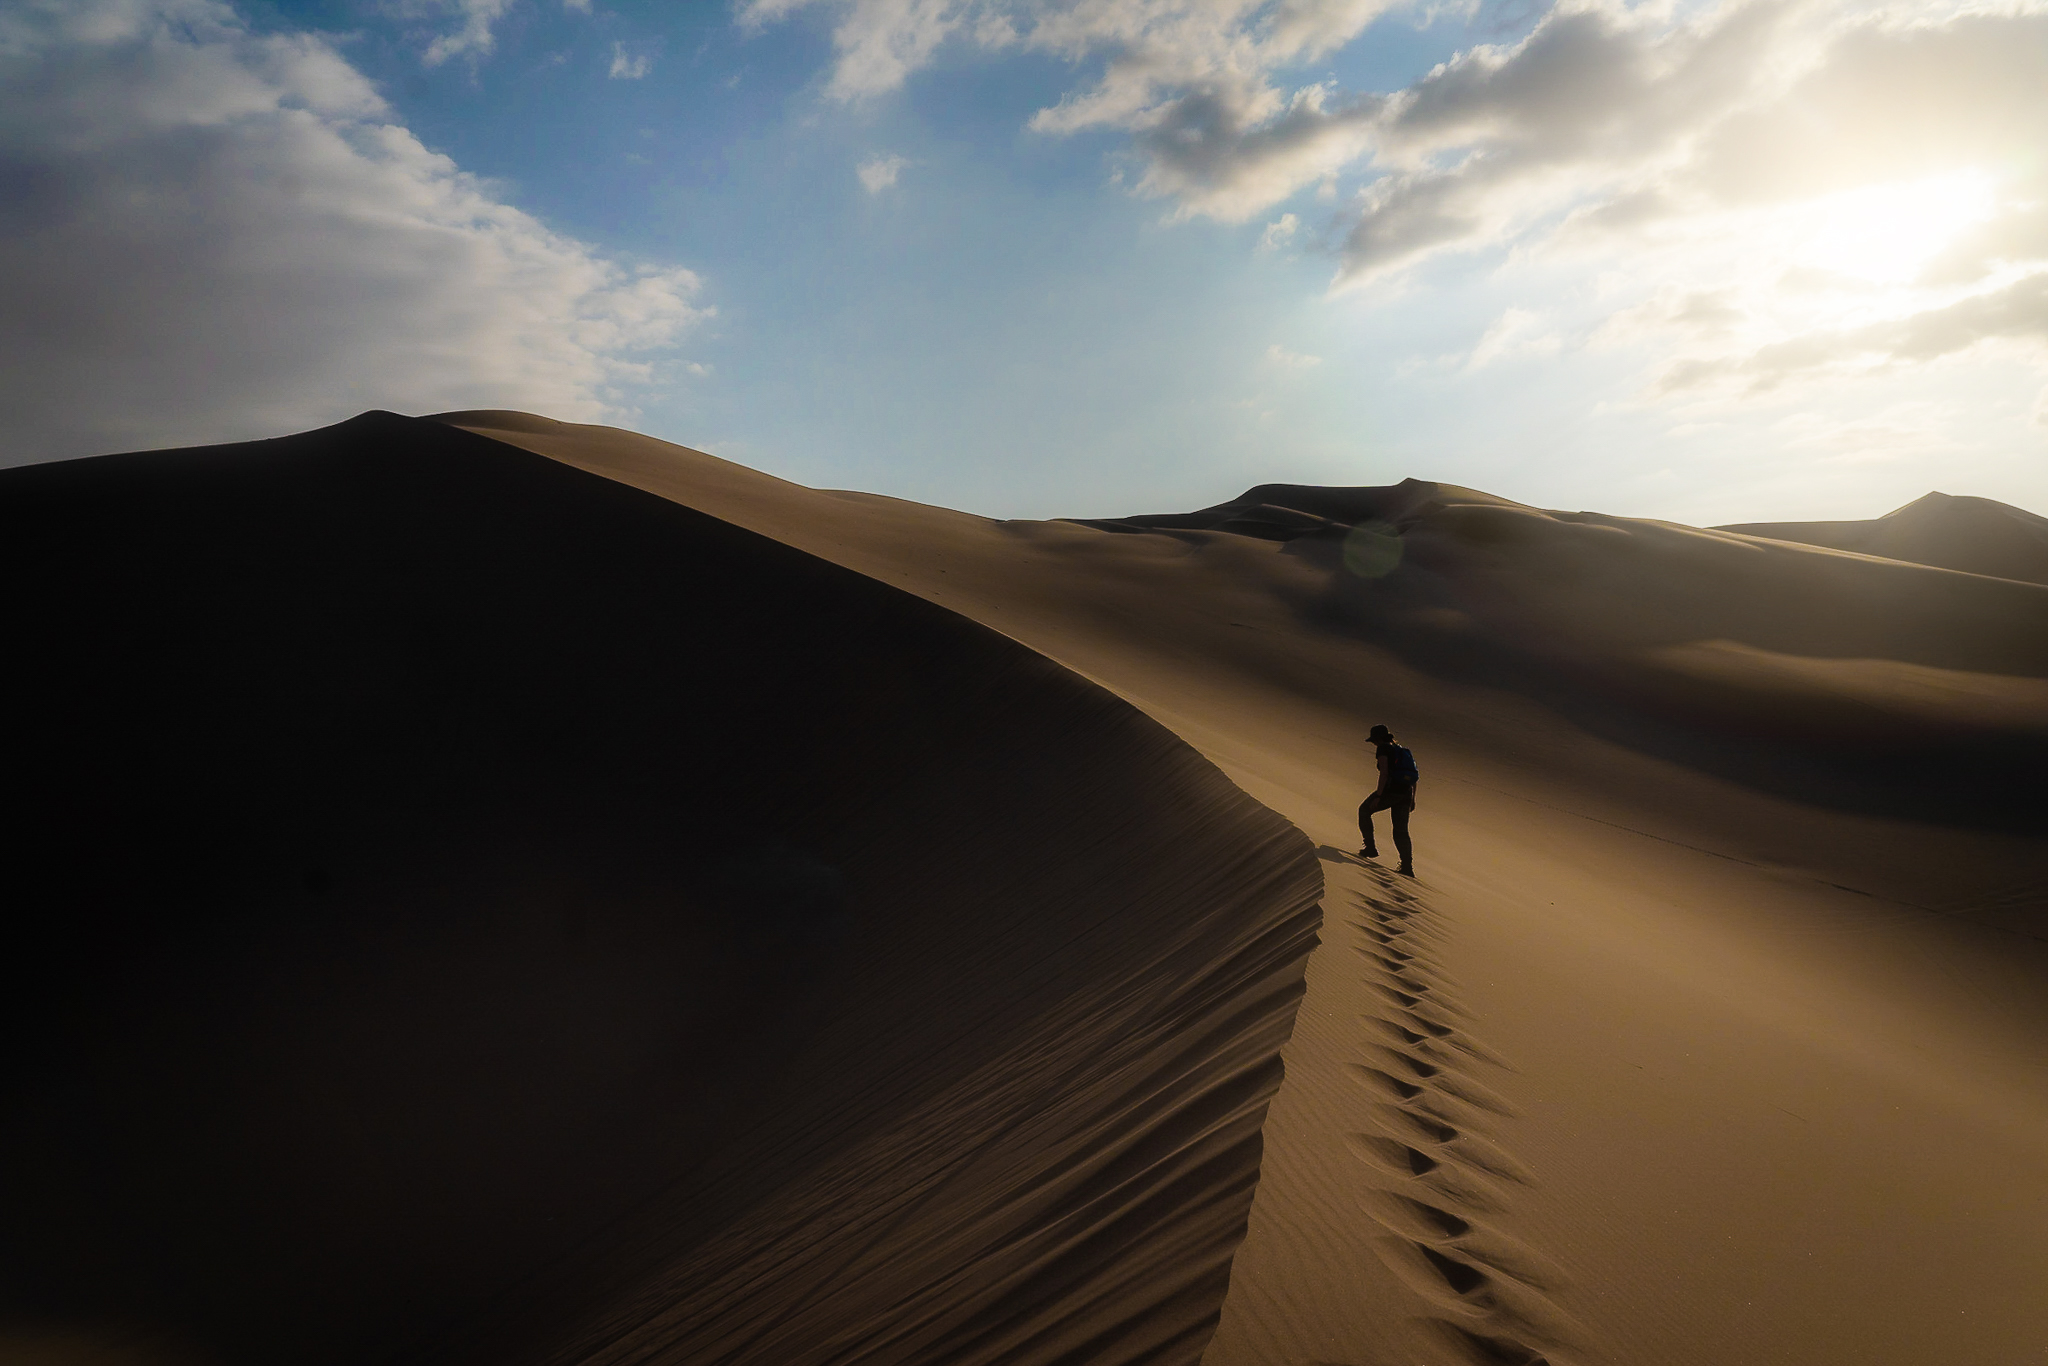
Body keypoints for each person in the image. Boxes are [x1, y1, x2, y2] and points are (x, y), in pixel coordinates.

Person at [1358, 724, 1417, 876]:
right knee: (1401, 831)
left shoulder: (1383, 749)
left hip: (1391, 792)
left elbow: (1384, 772)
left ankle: (1370, 848)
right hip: (1406, 793)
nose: (1373, 743)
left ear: (1378, 739)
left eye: (1373, 740)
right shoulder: (1401, 750)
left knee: (1364, 810)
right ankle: (1407, 867)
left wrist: (1379, 795)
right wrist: (1412, 799)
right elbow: (1413, 776)